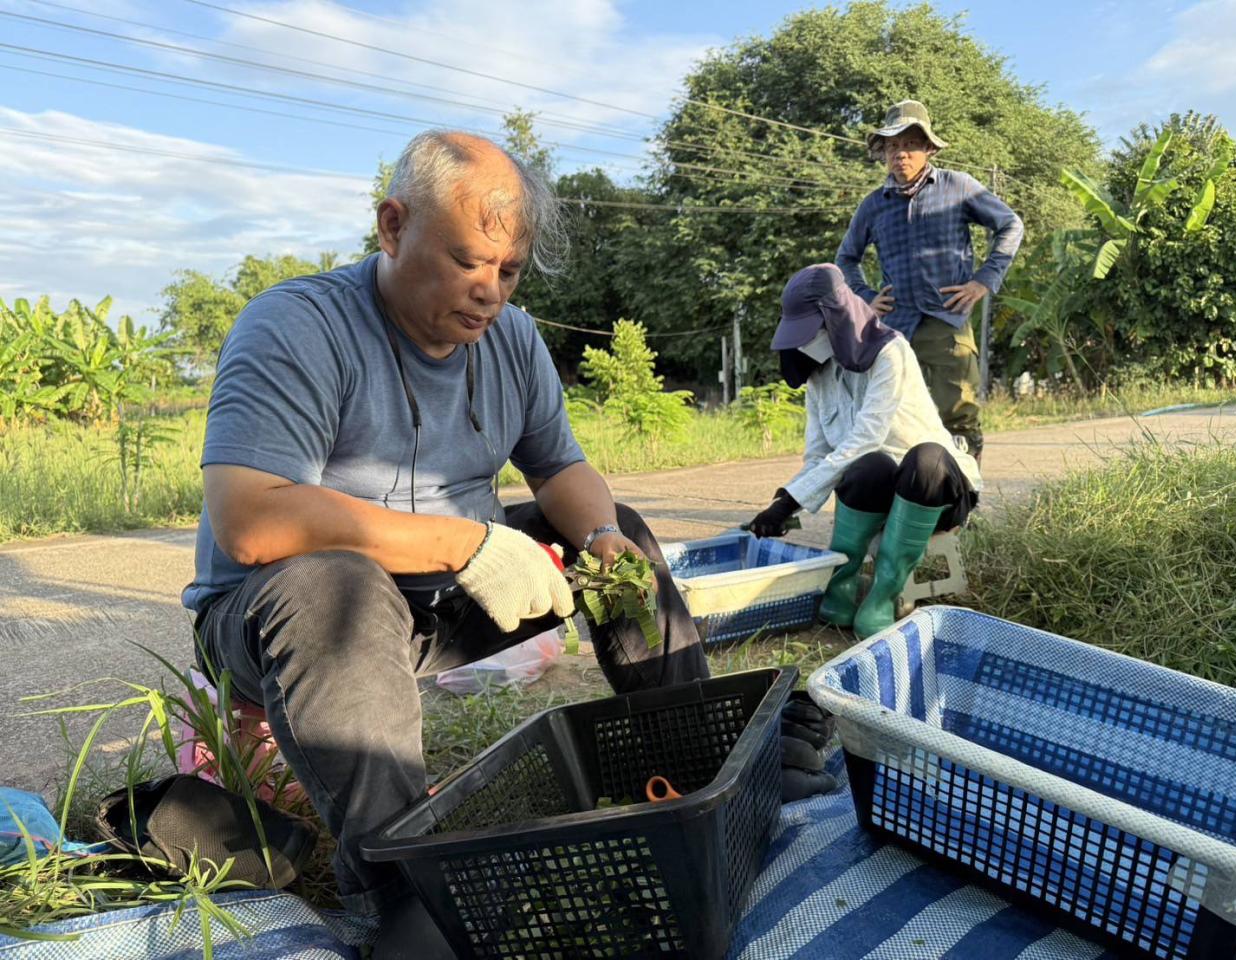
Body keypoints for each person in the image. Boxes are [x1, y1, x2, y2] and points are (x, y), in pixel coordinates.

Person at [181, 132, 716, 933]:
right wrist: (466, 543)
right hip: (283, 618)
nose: (489, 292)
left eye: (509, 271)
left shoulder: (513, 341)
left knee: (623, 539)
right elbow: (252, 520)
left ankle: (699, 756)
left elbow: (561, 470)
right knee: (339, 586)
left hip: (442, 601)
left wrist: (602, 537)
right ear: (392, 226)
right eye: (468, 261)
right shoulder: (297, 327)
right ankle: (406, 894)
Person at [746, 264, 982, 639]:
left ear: (837, 318)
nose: (808, 341)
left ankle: (886, 592)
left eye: (813, 329)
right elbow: (819, 455)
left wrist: (789, 502)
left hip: (934, 492)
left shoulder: (891, 352)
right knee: (868, 467)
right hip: (880, 493)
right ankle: (843, 581)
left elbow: (865, 437)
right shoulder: (820, 377)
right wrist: (781, 504)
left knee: (924, 458)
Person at [835, 99, 1024, 462]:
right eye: (892, 146)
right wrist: (865, 297)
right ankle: (906, 505)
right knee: (895, 416)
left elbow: (1010, 224)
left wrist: (984, 279)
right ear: (884, 153)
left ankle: (962, 507)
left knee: (959, 415)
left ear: (928, 149)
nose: (900, 154)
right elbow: (846, 258)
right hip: (895, 328)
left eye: (909, 145)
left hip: (946, 321)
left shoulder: (958, 187)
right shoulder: (874, 205)